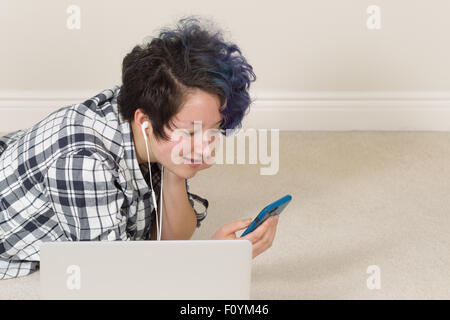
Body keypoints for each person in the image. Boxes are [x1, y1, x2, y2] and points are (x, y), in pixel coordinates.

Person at [0, 16, 279, 280]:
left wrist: (176, 171)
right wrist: (210, 260)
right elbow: (113, 281)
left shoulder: (151, 113)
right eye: (191, 131)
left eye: (214, 129)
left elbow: (165, 242)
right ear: (144, 120)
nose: (207, 149)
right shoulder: (84, 165)